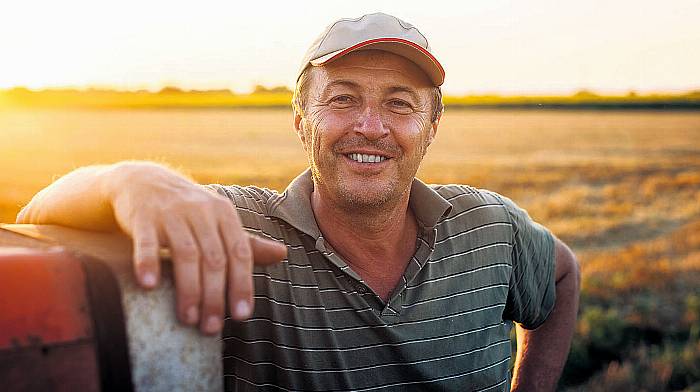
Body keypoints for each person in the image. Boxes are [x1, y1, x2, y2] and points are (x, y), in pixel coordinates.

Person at [17, 12, 580, 392]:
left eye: (400, 103)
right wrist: (128, 182)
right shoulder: (232, 230)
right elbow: (35, 218)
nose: (370, 126)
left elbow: (561, 276)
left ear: (432, 126)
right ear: (301, 121)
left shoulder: (490, 226)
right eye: (342, 99)